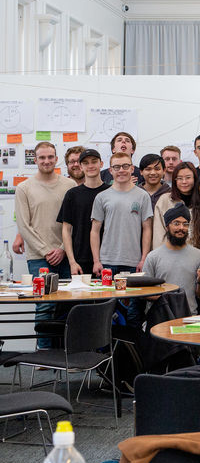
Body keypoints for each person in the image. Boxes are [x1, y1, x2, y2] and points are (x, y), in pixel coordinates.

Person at [15, 142, 75, 348]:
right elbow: (24, 225)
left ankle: (65, 350)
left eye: (50, 157)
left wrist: (62, 249)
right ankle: (43, 350)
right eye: (42, 157)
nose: (46, 161)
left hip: (65, 254)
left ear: (56, 159)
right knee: (44, 305)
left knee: (68, 304)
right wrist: (46, 251)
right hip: (38, 257)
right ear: (35, 160)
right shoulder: (24, 188)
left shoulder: (69, 185)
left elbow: (74, 222)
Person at [90, 152, 154, 276]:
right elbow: (95, 231)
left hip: (134, 263)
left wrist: (143, 259)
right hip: (107, 262)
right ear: (110, 170)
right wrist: (96, 261)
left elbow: (147, 229)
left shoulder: (143, 196)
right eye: (116, 167)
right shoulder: (101, 197)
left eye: (125, 166)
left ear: (132, 169)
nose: (121, 170)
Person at [142, 203, 200, 315]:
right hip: (160, 317)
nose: (181, 228)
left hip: (189, 317)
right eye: (176, 223)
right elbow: (144, 293)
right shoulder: (153, 257)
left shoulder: (199, 255)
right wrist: (168, 299)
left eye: (185, 224)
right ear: (167, 226)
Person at [58, 149, 110, 277]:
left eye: (94, 162)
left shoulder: (111, 192)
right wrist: (72, 262)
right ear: (81, 167)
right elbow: (66, 230)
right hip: (80, 260)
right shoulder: (72, 194)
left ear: (101, 164)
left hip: (108, 259)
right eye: (86, 163)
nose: (90, 166)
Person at [152, 161, 196, 248]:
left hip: (197, 253)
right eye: (179, 178)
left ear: (195, 179)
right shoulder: (165, 200)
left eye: (188, 178)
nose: (184, 181)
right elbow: (158, 235)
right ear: (174, 180)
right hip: (170, 252)